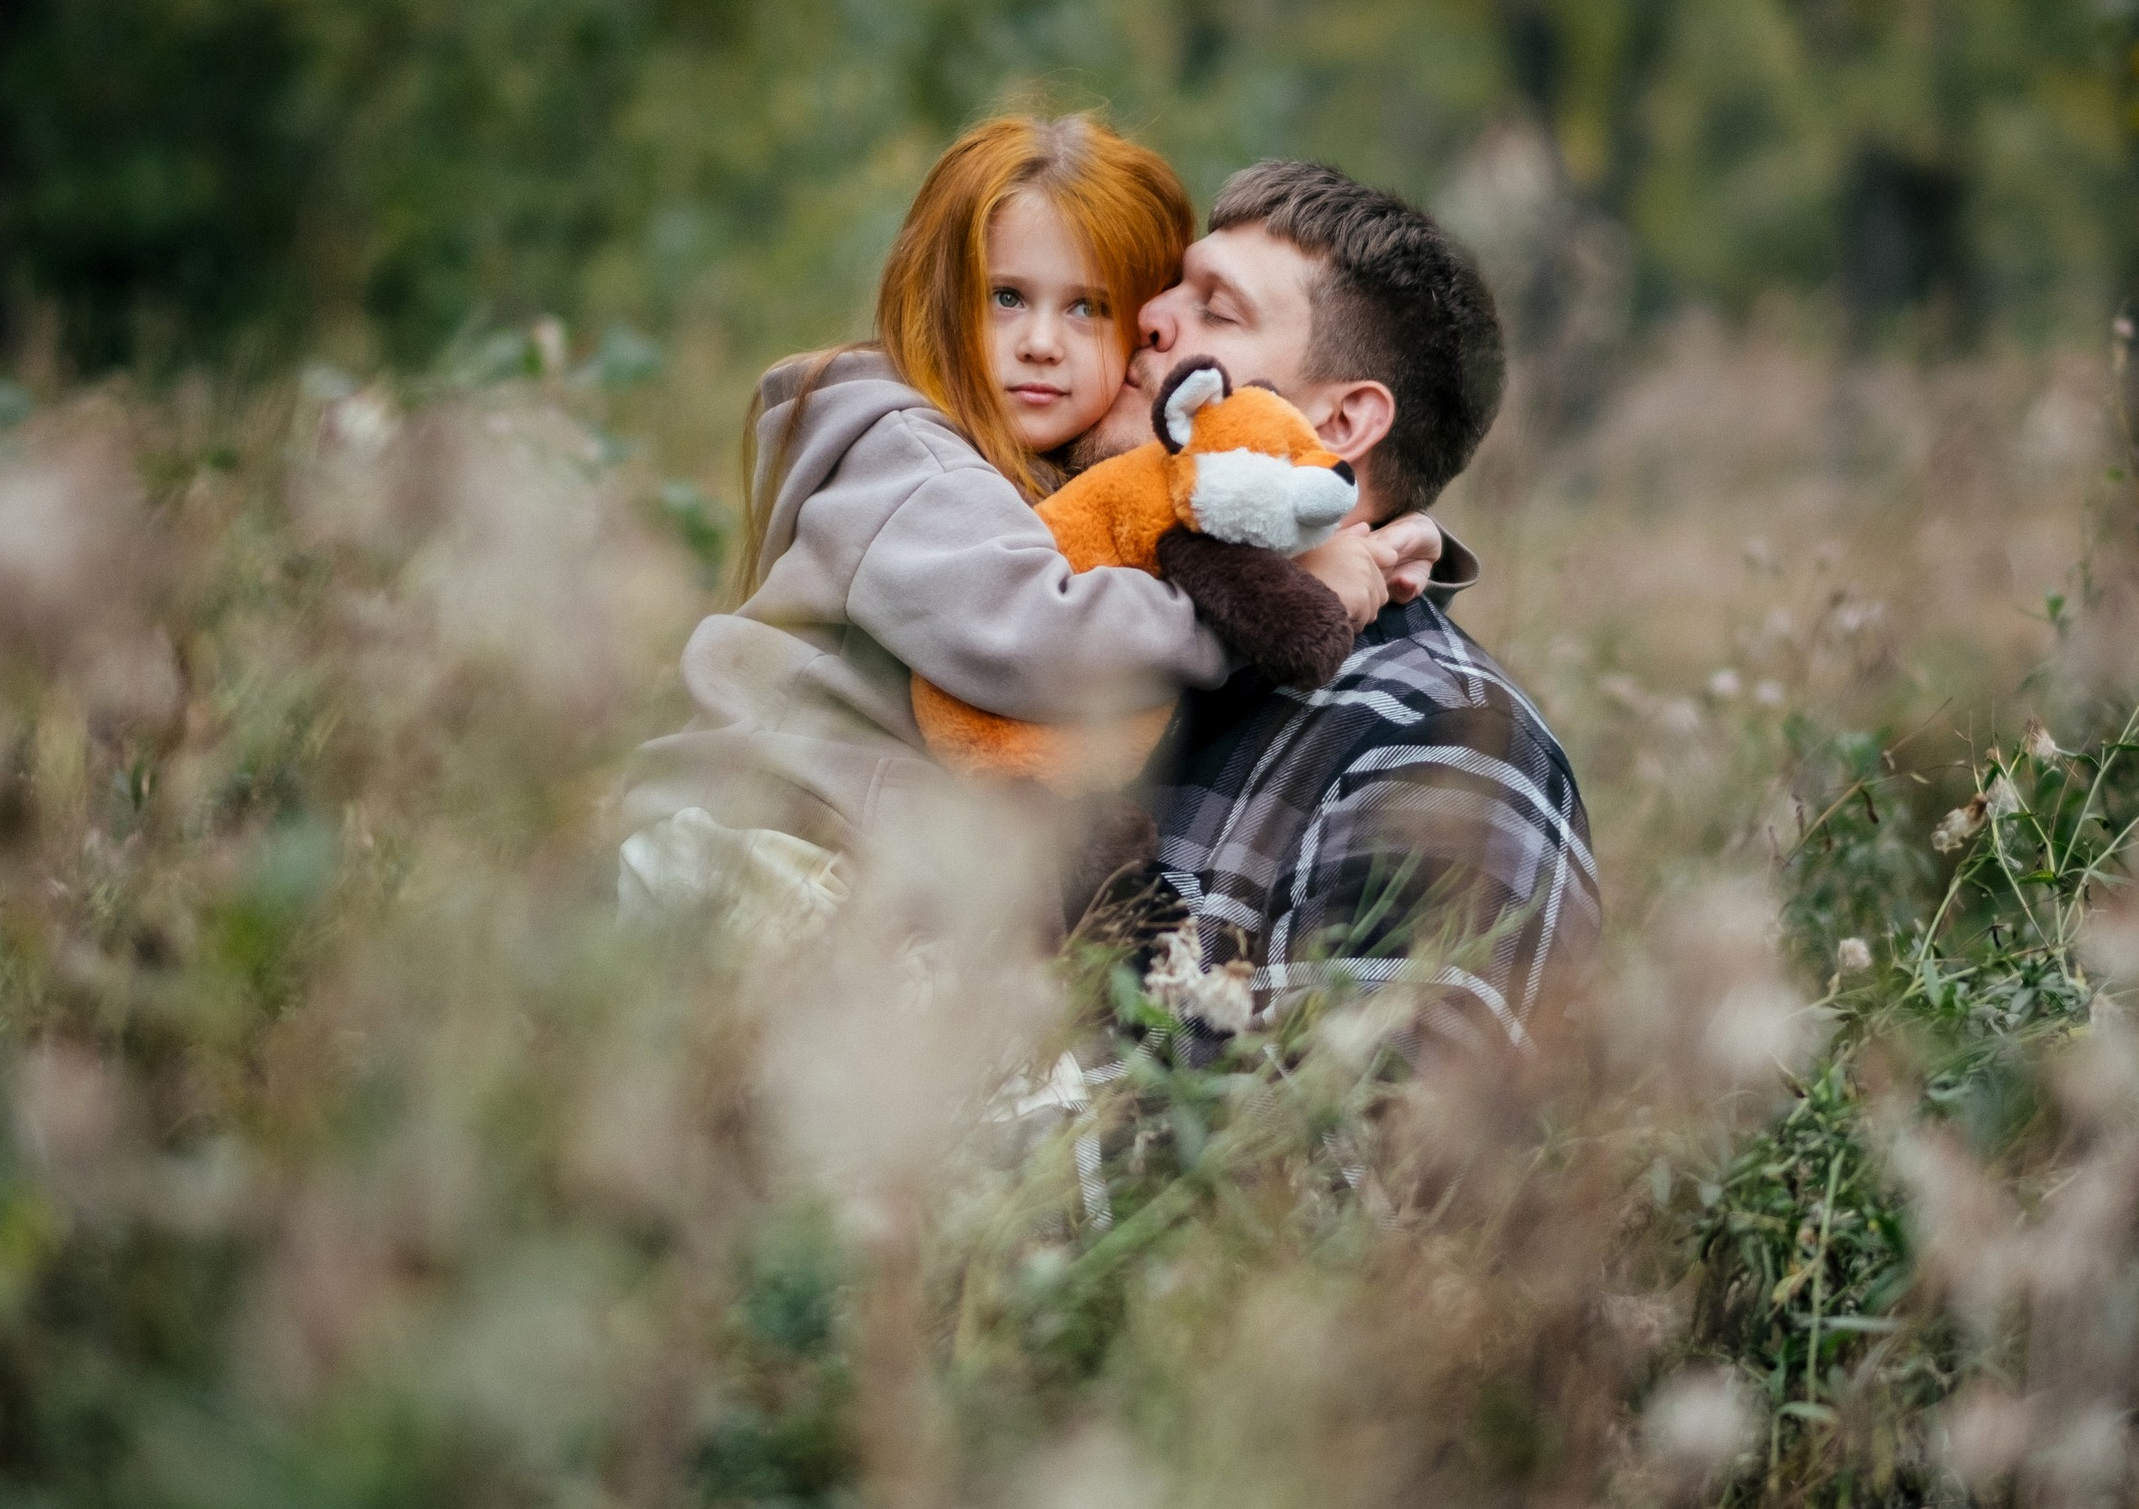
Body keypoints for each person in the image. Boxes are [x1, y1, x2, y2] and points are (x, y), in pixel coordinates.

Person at [618, 105, 1406, 926]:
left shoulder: (1047, 469)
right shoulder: (905, 461)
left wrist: (1360, 538)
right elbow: (1042, 641)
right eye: (1005, 298)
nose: (1040, 342)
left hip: (838, 863)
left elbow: (1185, 511)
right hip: (755, 845)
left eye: (1087, 309)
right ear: (941, 301)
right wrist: (1273, 609)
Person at [1095, 159, 1596, 1055]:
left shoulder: (1441, 750)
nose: (1149, 316)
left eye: (1217, 309)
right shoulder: (1080, 626)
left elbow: (1373, 1169)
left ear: (1338, 427)